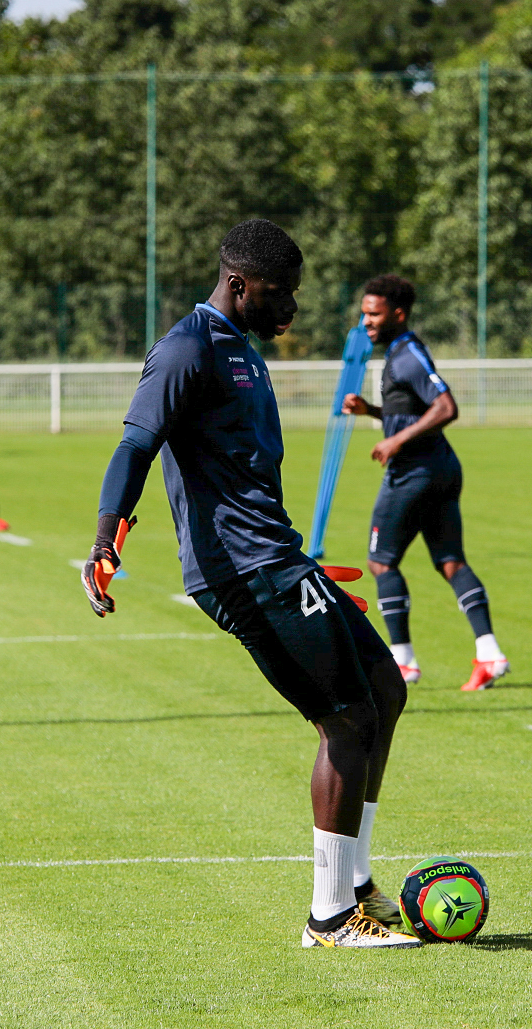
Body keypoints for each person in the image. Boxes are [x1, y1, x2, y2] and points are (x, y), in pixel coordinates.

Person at [81, 219, 420, 948]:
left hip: (277, 560)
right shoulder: (187, 349)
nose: (290, 307)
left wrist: (302, 570)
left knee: (384, 689)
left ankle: (358, 884)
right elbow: (136, 443)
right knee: (346, 718)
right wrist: (106, 538)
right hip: (243, 571)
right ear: (238, 284)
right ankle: (330, 917)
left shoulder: (243, 348)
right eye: (278, 293)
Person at [342, 274, 510, 693]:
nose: (366, 322)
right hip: (440, 469)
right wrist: (371, 412)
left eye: (374, 314)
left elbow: (446, 407)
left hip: (414, 473)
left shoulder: (408, 356)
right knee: (451, 561)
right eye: (364, 314)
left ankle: (402, 662)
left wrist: (396, 441)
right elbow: (412, 411)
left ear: (398, 314)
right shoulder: (400, 353)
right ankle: (489, 654)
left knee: (381, 562)